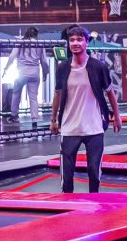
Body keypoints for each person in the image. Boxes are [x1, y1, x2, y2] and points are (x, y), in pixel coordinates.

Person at [51, 25, 121, 193]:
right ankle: (67, 202)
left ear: (87, 42)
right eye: (72, 40)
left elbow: (110, 93)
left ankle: (94, 201)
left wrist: (117, 116)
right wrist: (53, 120)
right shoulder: (62, 68)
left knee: (94, 171)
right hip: (69, 128)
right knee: (67, 176)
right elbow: (57, 94)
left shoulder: (98, 67)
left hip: (94, 128)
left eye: (79, 39)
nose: (75, 43)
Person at [3, 26, 49, 125]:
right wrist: (45, 73)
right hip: (35, 73)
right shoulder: (40, 44)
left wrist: (6, 68)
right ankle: (34, 120)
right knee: (33, 97)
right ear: (36, 34)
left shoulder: (20, 42)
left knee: (16, 94)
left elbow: (12, 56)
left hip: (21, 72)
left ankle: (14, 116)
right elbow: (44, 61)